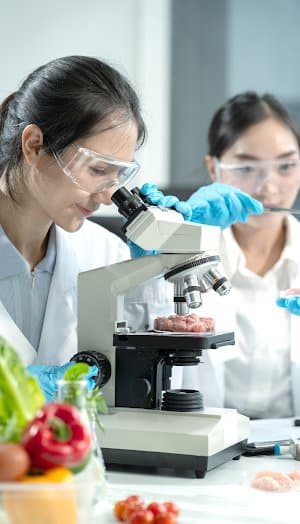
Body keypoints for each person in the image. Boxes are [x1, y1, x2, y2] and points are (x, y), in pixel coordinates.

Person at [0, 57, 262, 400]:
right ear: (34, 145)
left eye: (118, 177)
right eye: (96, 170)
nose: (109, 197)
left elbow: (180, 388)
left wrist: (151, 274)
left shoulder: (106, 255)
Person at [143, 91, 300, 418]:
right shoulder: (182, 258)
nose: (269, 187)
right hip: (210, 447)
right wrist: (157, 256)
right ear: (213, 169)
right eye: (246, 168)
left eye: (286, 166)